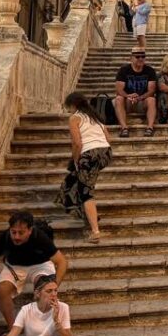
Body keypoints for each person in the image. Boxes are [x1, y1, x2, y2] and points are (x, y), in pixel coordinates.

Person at [0, 210, 70, 329]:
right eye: (13, 232)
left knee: (46, 288)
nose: (16, 236)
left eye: (21, 233)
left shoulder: (40, 237)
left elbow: (62, 262)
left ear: (30, 230)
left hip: (40, 265)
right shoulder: (4, 238)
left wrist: (55, 285)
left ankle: (44, 325)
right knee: (2, 288)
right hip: (15, 266)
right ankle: (13, 327)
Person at [58, 93, 112, 241]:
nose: (69, 110)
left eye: (68, 107)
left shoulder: (75, 118)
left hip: (89, 154)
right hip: (105, 153)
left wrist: (76, 160)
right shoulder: (95, 118)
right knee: (75, 181)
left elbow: (77, 143)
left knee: (86, 192)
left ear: (73, 105)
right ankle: (90, 214)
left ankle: (95, 232)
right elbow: (108, 138)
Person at [112, 48, 158, 137]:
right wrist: (128, 96)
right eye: (137, 57)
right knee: (118, 98)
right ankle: (124, 128)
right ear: (131, 58)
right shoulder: (124, 70)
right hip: (127, 101)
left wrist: (140, 97)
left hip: (142, 100)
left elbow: (151, 90)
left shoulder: (150, 70)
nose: (141, 59)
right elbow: (119, 89)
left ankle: (150, 128)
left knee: (151, 100)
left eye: (143, 56)